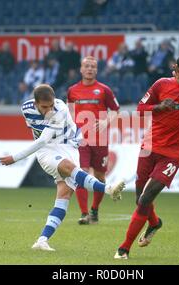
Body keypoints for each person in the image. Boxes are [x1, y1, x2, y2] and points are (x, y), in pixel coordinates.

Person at [0, 84, 125, 251]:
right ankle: (108, 189)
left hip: (69, 147)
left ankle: (42, 240)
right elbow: (42, 142)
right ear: (35, 103)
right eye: (44, 107)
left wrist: (15, 158)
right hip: (46, 150)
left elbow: (43, 137)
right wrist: (15, 158)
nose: (49, 109)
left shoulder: (61, 109)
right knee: (67, 167)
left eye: (51, 105)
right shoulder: (26, 109)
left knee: (64, 195)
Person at [114, 54, 179, 259]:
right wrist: (157, 107)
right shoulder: (161, 85)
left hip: (172, 155)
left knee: (146, 198)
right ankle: (155, 222)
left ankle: (124, 248)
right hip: (148, 148)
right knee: (139, 199)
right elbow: (140, 109)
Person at [67, 56, 120, 225]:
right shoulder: (72, 91)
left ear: (96, 70)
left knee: (99, 176)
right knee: (81, 174)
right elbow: (70, 114)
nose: (89, 69)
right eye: (86, 66)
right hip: (81, 140)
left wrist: (106, 121)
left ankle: (94, 209)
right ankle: (84, 214)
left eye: (93, 66)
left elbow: (115, 110)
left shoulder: (104, 90)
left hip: (100, 140)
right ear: (81, 69)